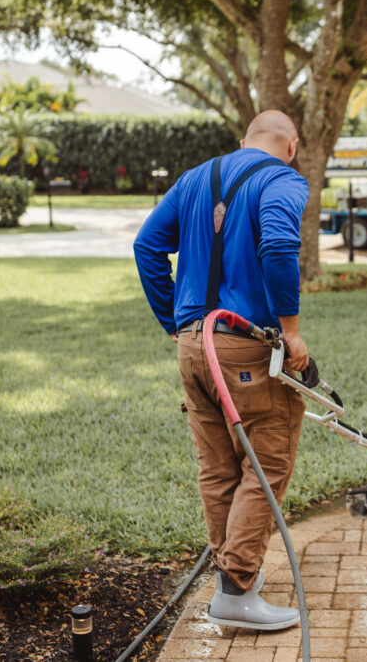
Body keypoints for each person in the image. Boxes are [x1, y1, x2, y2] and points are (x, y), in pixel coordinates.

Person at [133, 110, 309, 631]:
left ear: (241, 141)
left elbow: (147, 245)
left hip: (194, 348)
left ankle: (232, 580)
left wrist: (175, 322)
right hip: (243, 348)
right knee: (265, 462)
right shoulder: (281, 177)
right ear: (292, 146)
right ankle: (236, 588)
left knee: (218, 469)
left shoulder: (195, 177)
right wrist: (292, 330)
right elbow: (278, 243)